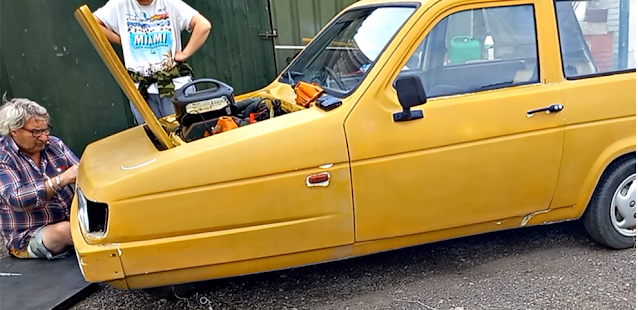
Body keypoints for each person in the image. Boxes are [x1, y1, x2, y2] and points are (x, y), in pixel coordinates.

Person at [93, 0, 212, 125]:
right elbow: (92, 22)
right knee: (153, 140)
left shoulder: (170, 3)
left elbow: (203, 25)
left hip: (174, 87)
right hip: (142, 91)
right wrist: (122, 41)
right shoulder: (120, 4)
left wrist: (185, 53)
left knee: (184, 135)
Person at [0, 97, 79, 260]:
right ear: (13, 130)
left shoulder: (55, 145)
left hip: (72, 218)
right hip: (30, 235)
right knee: (67, 231)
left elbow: (83, 175)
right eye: (36, 132)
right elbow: (17, 199)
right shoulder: (4, 158)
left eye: (45, 130)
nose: (44, 138)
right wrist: (61, 180)